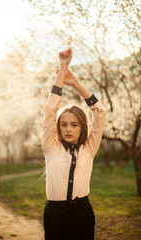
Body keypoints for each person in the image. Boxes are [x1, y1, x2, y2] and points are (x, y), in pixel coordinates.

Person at [41, 48, 106, 240]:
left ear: (81, 127)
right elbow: (50, 111)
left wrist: (75, 83)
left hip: (83, 213)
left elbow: (100, 111)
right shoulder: (50, 147)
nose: (68, 129)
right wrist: (62, 70)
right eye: (64, 125)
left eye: (74, 124)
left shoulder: (89, 148)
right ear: (58, 127)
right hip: (55, 214)